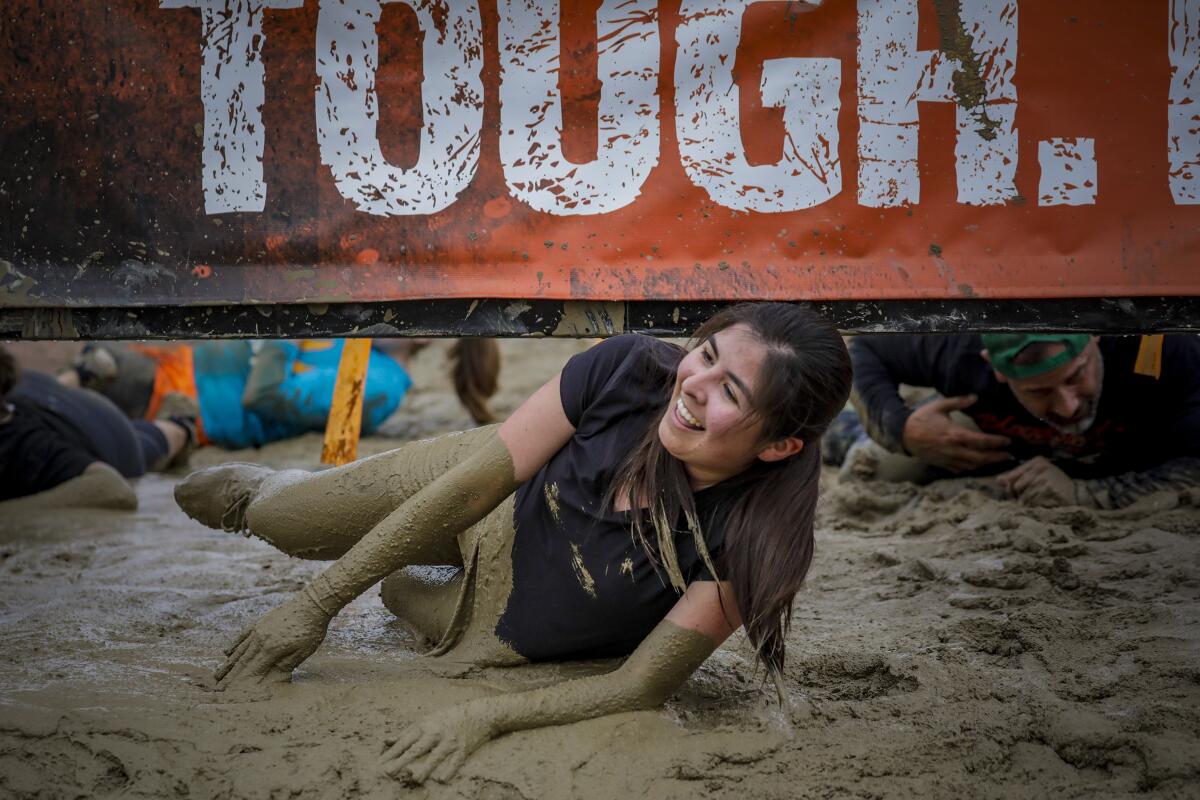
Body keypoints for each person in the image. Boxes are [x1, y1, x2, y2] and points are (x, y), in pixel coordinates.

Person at [173, 303, 852, 784]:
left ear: (780, 444)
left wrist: (486, 718)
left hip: (500, 625)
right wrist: (314, 605)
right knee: (287, 521)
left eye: (729, 390)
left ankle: (414, 588)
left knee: (401, 595)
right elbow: (473, 486)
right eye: (704, 355)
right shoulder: (630, 368)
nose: (693, 387)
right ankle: (261, 489)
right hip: (492, 502)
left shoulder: (756, 540)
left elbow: (641, 684)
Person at [830, 332, 1200, 509]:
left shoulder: (1165, 349)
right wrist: (902, 430)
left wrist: (1085, 496)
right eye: (1039, 391)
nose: (1068, 406)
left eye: (1076, 377)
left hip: (1138, 447)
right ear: (996, 369)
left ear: (1095, 341)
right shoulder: (959, 349)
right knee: (872, 468)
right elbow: (861, 348)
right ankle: (843, 432)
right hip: (998, 440)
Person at [63, 339, 417, 450]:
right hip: (175, 370)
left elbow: (262, 395)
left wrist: (286, 330)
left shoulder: (380, 384)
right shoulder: (365, 348)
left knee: (92, 368)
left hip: (180, 399)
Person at [0, 344, 192, 512]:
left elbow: (113, 488)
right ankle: (84, 372)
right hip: (38, 389)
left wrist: (14, 513)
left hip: (110, 435)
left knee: (141, 448)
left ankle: (179, 422)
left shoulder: (27, 446)